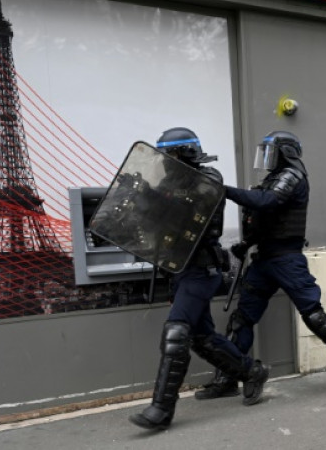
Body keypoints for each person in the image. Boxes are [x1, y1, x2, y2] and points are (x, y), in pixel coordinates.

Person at [199, 131, 326, 402]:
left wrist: (225, 191)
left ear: (285, 153)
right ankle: (229, 377)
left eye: (271, 152)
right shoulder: (273, 179)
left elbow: (268, 203)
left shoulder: (293, 175)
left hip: (287, 259)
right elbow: (265, 219)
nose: (266, 158)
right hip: (264, 259)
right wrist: (247, 245)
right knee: (242, 319)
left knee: (314, 316)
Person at [129, 127, 267, 430]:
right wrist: (139, 195)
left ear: (183, 154)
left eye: (170, 155)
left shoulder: (209, 178)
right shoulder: (168, 182)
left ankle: (161, 410)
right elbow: (158, 220)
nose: (165, 161)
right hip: (179, 269)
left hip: (201, 270)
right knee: (202, 338)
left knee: (176, 333)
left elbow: (188, 206)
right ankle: (251, 373)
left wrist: (153, 195)